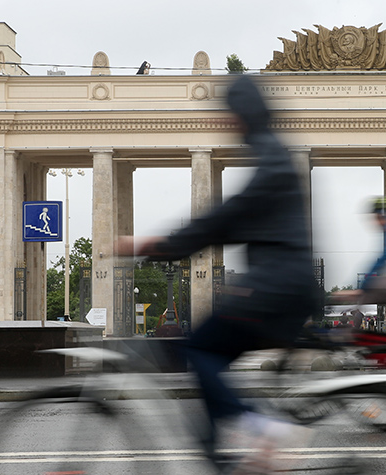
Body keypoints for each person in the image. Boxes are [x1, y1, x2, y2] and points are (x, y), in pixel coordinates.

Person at [117, 75, 315, 467]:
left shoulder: (272, 163)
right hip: (284, 287)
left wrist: (153, 245)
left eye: (230, 113)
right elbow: (228, 222)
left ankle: (256, 423)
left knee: (201, 347)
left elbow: (222, 220)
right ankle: (219, 455)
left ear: (242, 115)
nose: (225, 121)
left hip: (276, 288)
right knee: (212, 360)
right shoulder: (273, 155)